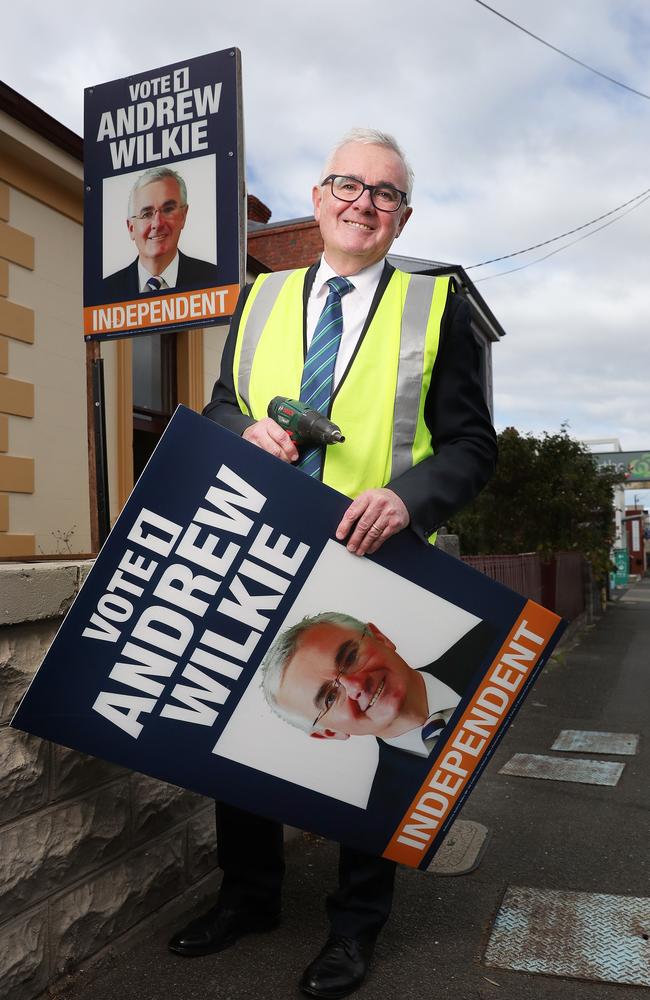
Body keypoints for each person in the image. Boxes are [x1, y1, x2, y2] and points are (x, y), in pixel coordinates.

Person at [169, 128, 498, 999]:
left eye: (385, 193)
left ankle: (356, 926)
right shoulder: (263, 298)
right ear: (317, 200)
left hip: (375, 556)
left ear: (403, 217)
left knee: (368, 729)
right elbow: (218, 404)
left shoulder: (439, 307)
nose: (364, 202)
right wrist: (246, 431)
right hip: (265, 548)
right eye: (348, 185)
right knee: (241, 727)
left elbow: (470, 446)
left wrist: (410, 500)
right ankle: (250, 896)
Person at [262, 611, 496, 756]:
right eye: (330, 698)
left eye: (350, 658)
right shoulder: (387, 822)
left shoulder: (496, 640)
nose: (356, 686)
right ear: (329, 733)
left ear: (380, 637)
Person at [102, 166, 215, 299]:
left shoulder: (214, 279)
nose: (157, 223)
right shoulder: (104, 292)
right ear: (131, 228)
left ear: (183, 216)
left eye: (168, 209)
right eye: (146, 214)